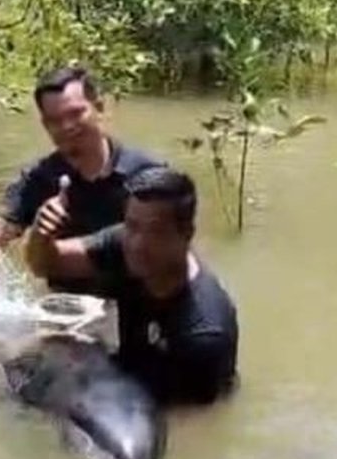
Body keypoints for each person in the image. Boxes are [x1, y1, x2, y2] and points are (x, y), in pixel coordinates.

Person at [24, 165, 238, 405]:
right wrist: (41, 232)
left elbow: (189, 422)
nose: (138, 244)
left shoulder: (202, 334)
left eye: (156, 232)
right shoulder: (124, 245)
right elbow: (47, 265)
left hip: (176, 391)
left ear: (186, 234)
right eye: (132, 226)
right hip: (131, 368)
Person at [0, 66, 163, 294]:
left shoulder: (148, 176)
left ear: (99, 108)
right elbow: (3, 228)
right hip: (66, 309)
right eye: (55, 120)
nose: (67, 127)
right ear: (46, 125)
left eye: (75, 114)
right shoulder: (40, 178)